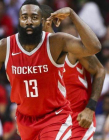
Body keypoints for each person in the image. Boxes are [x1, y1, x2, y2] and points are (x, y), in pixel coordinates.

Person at [0, 0, 101, 140]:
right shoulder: (4, 47)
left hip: (55, 117)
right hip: (25, 121)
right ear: (19, 20)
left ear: (41, 21)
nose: (29, 21)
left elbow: (94, 47)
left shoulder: (56, 42)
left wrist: (72, 15)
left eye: (34, 17)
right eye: (25, 17)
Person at [41, 4, 105, 140]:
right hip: (51, 126)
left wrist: (90, 108)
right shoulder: (32, 56)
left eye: (33, 19)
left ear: (46, 22)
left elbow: (100, 70)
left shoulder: (70, 47)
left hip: (78, 124)